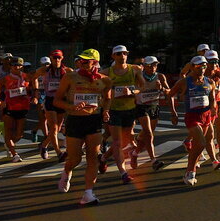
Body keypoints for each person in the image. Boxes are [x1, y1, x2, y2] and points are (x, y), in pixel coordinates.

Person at [54, 49, 111, 205]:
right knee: (76, 158)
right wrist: (72, 107)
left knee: (93, 158)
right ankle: (66, 172)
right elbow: (57, 101)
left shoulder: (105, 80)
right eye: (82, 60)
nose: (83, 63)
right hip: (75, 120)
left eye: (87, 60)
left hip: (94, 121)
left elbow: (107, 99)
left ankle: (88, 193)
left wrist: (105, 111)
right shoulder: (70, 77)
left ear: (95, 62)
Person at [169, 56, 220, 186]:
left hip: (206, 116)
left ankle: (191, 171)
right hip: (192, 117)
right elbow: (170, 95)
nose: (202, 69)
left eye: (204, 66)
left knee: (198, 145)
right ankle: (189, 171)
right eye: (198, 66)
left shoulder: (209, 81)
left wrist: (213, 108)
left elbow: (212, 97)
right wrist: (173, 113)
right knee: (202, 143)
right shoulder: (185, 82)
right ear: (192, 67)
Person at [103, 45, 142, 183]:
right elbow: (97, 85)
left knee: (124, 140)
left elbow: (141, 87)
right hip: (114, 110)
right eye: (119, 54)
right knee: (117, 142)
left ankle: (103, 158)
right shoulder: (107, 72)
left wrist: (132, 92)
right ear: (113, 56)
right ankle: (123, 173)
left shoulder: (134, 70)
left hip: (130, 110)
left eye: (124, 53)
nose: (122, 56)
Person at [33, 49, 71, 161]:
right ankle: (59, 153)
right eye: (54, 58)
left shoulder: (67, 71)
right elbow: (34, 77)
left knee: (58, 129)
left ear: (62, 58)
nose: (57, 60)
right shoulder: (44, 70)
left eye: (59, 57)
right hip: (50, 100)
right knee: (53, 128)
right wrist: (36, 90)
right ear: (51, 59)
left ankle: (44, 145)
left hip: (62, 100)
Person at [134, 56, 170, 170]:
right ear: (144, 66)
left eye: (155, 65)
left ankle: (134, 153)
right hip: (141, 107)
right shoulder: (138, 76)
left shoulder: (160, 77)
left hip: (154, 106)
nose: (153, 68)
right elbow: (133, 90)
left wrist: (162, 89)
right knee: (149, 134)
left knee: (146, 135)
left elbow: (169, 91)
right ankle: (154, 160)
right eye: (150, 65)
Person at [0, 57, 34, 162]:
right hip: (9, 108)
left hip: (23, 107)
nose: (17, 67)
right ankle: (14, 153)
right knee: (8, 131)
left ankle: (9, 145)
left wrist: (34, 95)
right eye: (14, 65)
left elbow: (32, 88)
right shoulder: (6, 79)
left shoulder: (27, 77)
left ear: (22, 66)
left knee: (19, 134)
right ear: (11, 66)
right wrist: (1, 101)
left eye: (19, 65)